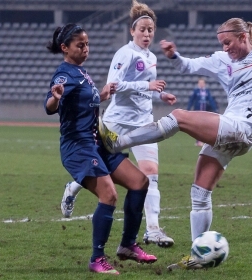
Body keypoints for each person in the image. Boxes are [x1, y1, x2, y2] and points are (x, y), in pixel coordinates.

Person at [98, 18, 252, 269]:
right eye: (222, 43)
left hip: (245, 128)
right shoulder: (222, 59)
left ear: (243, 37)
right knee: (199, 192)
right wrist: (174, 56)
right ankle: (199, 255)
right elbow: (189, 66)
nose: (225, 48)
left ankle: (117, 142)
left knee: (178, 117)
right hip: (231, 131)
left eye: (228, 42)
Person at [60, 0, 177, 248]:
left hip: (143, 123)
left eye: (150, 30)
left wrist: (160, 95)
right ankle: (73, 187)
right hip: (116, 124)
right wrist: (147, 86)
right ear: (132, 31)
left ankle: (153, 230)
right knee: (99, 170)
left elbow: (146, 89)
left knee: (151, 175)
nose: (147, 34)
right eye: (142, 29)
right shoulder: (125, 53)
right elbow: (112, 86)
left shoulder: (151, 57)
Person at [45, 23, 157, 275]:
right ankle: (97, 258)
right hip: (79, 147)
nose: (86, 49)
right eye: (80, 45)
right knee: (109, 196)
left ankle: (128, 245)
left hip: (97, 143)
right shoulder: (64, 74)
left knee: (140, 182)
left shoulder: (81, 71)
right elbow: (50, 105)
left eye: (87, 44)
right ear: (65, 48)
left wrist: (103, 95)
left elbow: (87, 102)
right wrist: (56, 97)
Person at [187, 77, 219, 146]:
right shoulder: (196, 91)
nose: (201, 84)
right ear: (198, 84)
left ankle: (202, 140)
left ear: (204, 84)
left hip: (205, 112)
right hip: (197, 112)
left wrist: (215, 109)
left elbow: (211, 100)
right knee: (198, 126)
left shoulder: (207, 91)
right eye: (200, 83)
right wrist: (188, 109)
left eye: (202, 83)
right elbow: (191, 100)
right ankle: (198, 141)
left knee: (204, 126)